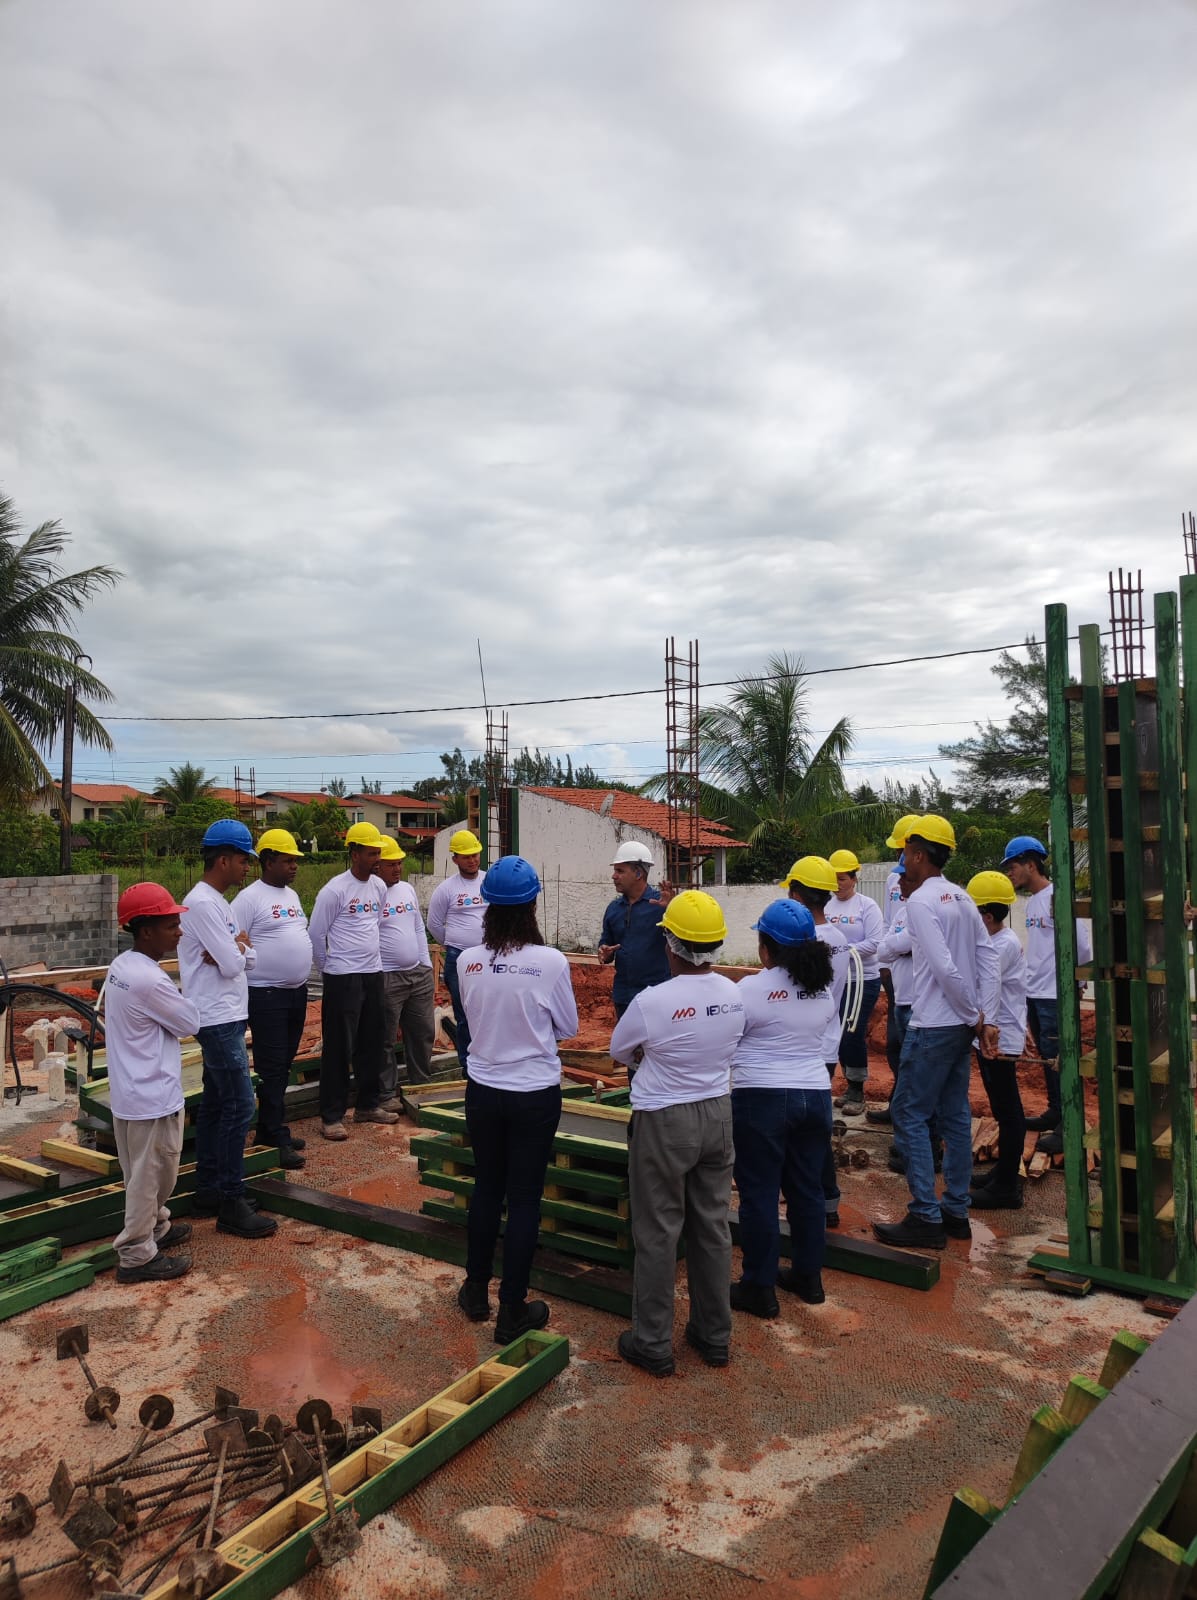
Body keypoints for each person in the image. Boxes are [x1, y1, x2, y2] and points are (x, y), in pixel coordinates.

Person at [610, 890, 745, 1377]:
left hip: (665, 1120)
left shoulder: (653, 1001)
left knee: (658, 1230)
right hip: (718, 1115)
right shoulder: (733, 993)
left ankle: (653, 1343)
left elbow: (620, 1051)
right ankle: (714, 1337)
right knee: (711, 1226)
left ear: (671, 943)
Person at [454, 856, 578, 1342]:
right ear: (531, 905)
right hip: (533, 1094)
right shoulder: (549, 963)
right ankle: (512, 1311)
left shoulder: (467, 960)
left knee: (487, 1188)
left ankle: (474, 1290)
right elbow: (566, 1027)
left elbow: (472, 1017)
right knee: (524, 1198)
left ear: (487, 905)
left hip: (483, 1090)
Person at [872, 815, 999, 1250]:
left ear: (919, 854)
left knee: (908, 1113)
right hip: (959, 1027)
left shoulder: (922, 902)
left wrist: (972, 1014)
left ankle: (925, 1216)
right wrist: (985, 1015)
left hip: (934, 1025)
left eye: (904, 853)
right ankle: (956, 1212)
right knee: (955, 1116)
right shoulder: (962, 898)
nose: (901, 862)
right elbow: (986, 958)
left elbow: (943, 966)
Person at [730, 900, 837, 1317]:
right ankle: (809, 1278)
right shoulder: (822, 989)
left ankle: (759, 1288)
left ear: (766, 947)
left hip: (762, 1098)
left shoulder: (750, 990)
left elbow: (730, 1039)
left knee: (759, 1194)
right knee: (807, 1189)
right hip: (815, 1095)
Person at [179, 820, 277, 1241]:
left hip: (228, 1013)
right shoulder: (202, 904)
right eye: (242, 860)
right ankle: (231, 1200)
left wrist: (237, 949)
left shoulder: (219, 903)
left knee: (219, 1105)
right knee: (241, 1105)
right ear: (222, 859)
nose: (246, 868)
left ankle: (210, 1190)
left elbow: (243, 957)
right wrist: (237, 949)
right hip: (216, 1018)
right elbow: (237, 961)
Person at [104, 883, 200, 1284]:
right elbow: (189, 1023)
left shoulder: (121, 967)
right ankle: (137, 1255)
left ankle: (156, 1228)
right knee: (152, 1177)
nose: (179, 931)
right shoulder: (150, 980)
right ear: (146, 931)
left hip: (129, 1092)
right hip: (153, 1096)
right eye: (170, 924)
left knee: (142, 1173)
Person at [1002, 834, 1093, 1156]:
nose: (1009, 873)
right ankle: (1056, 1112)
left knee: (1061, 1062)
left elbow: (1082, 947)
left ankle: (1070, 1124)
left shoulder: (1059, 896)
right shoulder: (1031, 902)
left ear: (1030, 864)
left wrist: (1075, 982)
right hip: (1036, 991)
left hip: (1056, 994)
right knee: (1048, 1058)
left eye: (1013, 867)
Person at [308, 820, 398, 1140]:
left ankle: (367, 1106)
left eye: (379, 853)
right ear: (354, 852)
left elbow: (375, 924)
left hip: (373, 973)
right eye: (372, 853)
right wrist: (329, 967)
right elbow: (316, 934)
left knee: (371, 1041)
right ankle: (332, 1116)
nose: (377, 859)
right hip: (343, 977)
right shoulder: (334, 890)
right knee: (339, 1048)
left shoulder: (377, 887)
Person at [231, 828, 312, 1171]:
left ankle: (271, 1127)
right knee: (272, 1066)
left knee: (285, 1064)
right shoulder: (249, 899)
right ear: (267, 861)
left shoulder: (291, 896)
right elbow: (233, 943)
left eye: (295, 860)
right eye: (286, 860)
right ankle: (272, 1136)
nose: (293, 866)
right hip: (265, 994)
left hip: (296, 992)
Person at [784, 855, 850, 1229]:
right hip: (827, 1042)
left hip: (802, 1047)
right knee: (816, 1126)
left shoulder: (803, 942)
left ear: (797, 893)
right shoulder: (838, 937)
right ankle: (826, 1199)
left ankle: (816, 1200)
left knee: (804, 1131)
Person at [966, 871, 1028, 1210]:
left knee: (1009, 1109)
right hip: (993, 1034)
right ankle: (1002, 1173)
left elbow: (982, 988)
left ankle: (1006, 1185)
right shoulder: (995, 941)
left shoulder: (1000, 946)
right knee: (1003, 1108)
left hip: (999, 1037)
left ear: (986, 916)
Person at [375, 834, 436, 1102]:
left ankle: (420, 1088)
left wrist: (425, 964)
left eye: (399, 863)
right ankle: (387, 1093)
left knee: (422, 1033)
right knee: (385, 1039)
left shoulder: (406, 890)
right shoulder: (371, 893)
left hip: (417, 975)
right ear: (377, 865)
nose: (398, 868)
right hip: (387, 977)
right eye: (391, 864)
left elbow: (418, 928)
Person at [825, 848, 884, 1114]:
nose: (838, 884)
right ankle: (847, 1084)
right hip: (833, 981)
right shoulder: (826, 905)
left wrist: (841, 950)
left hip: (862, 979)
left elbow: (874, 943)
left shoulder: (866, 906)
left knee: (852, 1032)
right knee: (835, 1034)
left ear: (854, 878)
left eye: (843, 878)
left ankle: (857, 1090)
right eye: (834, 878)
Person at [870, 814, 919, 1128]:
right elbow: (889, 923)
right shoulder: (892, 879)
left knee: (913, 1051)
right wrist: (884, 963)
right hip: (893, 972)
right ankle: (897, 1104)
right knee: (894, 1045)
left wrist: (893, 949)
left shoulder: (932, 887)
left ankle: (911, 1114)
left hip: (917, 980)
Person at [427, 829, 487, 1073]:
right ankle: (468, 1065)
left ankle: (487, 1061)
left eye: (475, 855)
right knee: (464, 1014)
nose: (472, 860)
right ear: (455, 859)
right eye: (466, 856)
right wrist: (453, 944)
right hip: (459, 958)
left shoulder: (488, 881)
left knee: (487, 1010)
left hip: (488, 956)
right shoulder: (447, 889)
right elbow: (434, 923)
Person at [598, 841, 673, 1019]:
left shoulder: (661, 905)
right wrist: (604, 952)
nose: (613, 876)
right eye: (615, 870)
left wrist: (672, 910)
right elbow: (605, 945)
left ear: (639, 873)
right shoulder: (613, 909)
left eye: (620, 871)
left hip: (657, 996)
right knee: (627, 1047)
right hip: (624, 998)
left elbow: (685, 941)